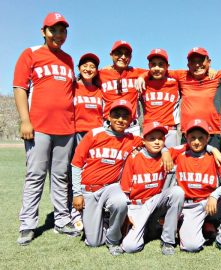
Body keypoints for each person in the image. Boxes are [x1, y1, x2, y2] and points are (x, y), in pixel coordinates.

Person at [71, 100, 173, 256]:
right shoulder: (94, 134)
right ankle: (98, 220)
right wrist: (77, 193)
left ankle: (113, 240)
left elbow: (153, 140)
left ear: (130, 120)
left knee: (120, 202)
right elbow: (76, 164)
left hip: (111, 188)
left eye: (125, 117)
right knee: (93, 242)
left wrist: (165, 151)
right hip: (89, 190)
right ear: (109, 116)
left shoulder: (132, 139)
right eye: (116, 115)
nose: (120, 119)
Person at [13, 12, 79, 246]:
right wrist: (25, 120)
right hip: (39, 126)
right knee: (35, 175)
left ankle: (61, 220)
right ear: (43, 31)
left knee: (61, 177)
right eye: (54, 30)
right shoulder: (30, 53)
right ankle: (27, 224)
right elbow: (20, 88)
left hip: (66, 128)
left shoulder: (69, 59)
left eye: (62, 30)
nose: (58, 35)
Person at [137, 48, 221, 151]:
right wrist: (142, 76)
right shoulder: (182, 75)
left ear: (209, 62)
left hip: (212, 133)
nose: (197, 65)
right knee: (185, 171)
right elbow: (158, 70)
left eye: (201, 61)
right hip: (188, 133)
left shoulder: (217, 75)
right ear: (188, 64)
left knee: (214, 172)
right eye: (193, 61)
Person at [176, 119, 221, 256]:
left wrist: (214, 194)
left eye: (201, 138)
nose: (196, 141)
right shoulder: (179, 155)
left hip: (210, 203)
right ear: (186, 138)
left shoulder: (214, 157)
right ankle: (202, 227)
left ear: (207, 139)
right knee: (191, 246)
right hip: (190, 206)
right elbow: (161, 149)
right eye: (192, 137)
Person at [120, 122, 184, 255]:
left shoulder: (167, 155)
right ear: (143, 141)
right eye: (152, 138)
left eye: (160, 138)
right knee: (130, 247)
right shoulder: (134, 157)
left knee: (177, 192)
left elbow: (190, 145)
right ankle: (149, 228)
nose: (157, 142)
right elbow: (124, 191)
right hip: (137, 206)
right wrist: (127, 214)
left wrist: (214, 150)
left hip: (156, 203)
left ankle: (168, 241)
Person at [71, 52, 103, 231]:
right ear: (79, 68)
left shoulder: (100, 90)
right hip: (76, 134)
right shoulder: (73, 86)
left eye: (92, 66)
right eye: (84, 65)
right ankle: (74, 212)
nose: (88, 69)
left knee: (90, 173)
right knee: (74, 172)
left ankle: (90, 210)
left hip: (95, 136)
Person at [99, 40, 146, 135]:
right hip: (109, 127)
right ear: (111, 55)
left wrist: (142, 76)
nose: (123, 57)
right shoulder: (100, 74)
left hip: (132, 128)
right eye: (119, 53)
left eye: (127, 54)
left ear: (131, 57)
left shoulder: (136, 72)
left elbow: (155, 71)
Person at [140, 49, 180, 148]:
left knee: (171, 161)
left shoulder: (175, 82)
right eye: (153, 64)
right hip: (149, 130)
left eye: (161, 65)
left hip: (169, 130)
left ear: (167, 67)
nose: (157, 68)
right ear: (149, 66)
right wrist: (142, 76)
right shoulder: (143, 83)